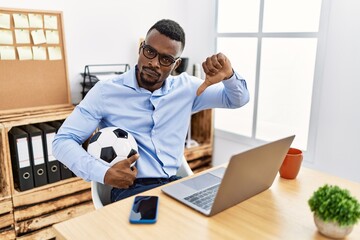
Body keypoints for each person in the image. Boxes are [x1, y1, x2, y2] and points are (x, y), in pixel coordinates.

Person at [53, 19, 249, 203]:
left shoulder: (188, 88)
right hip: (132, 189)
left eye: (165, 59)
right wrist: (103, 173)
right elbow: (62, 141)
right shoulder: (105, 92)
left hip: (176, 184)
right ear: (141, 49)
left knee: (224, 211)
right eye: (149, 52)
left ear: (176, 64)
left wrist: (229, 76)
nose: (154, 63)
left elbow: (236, 99)